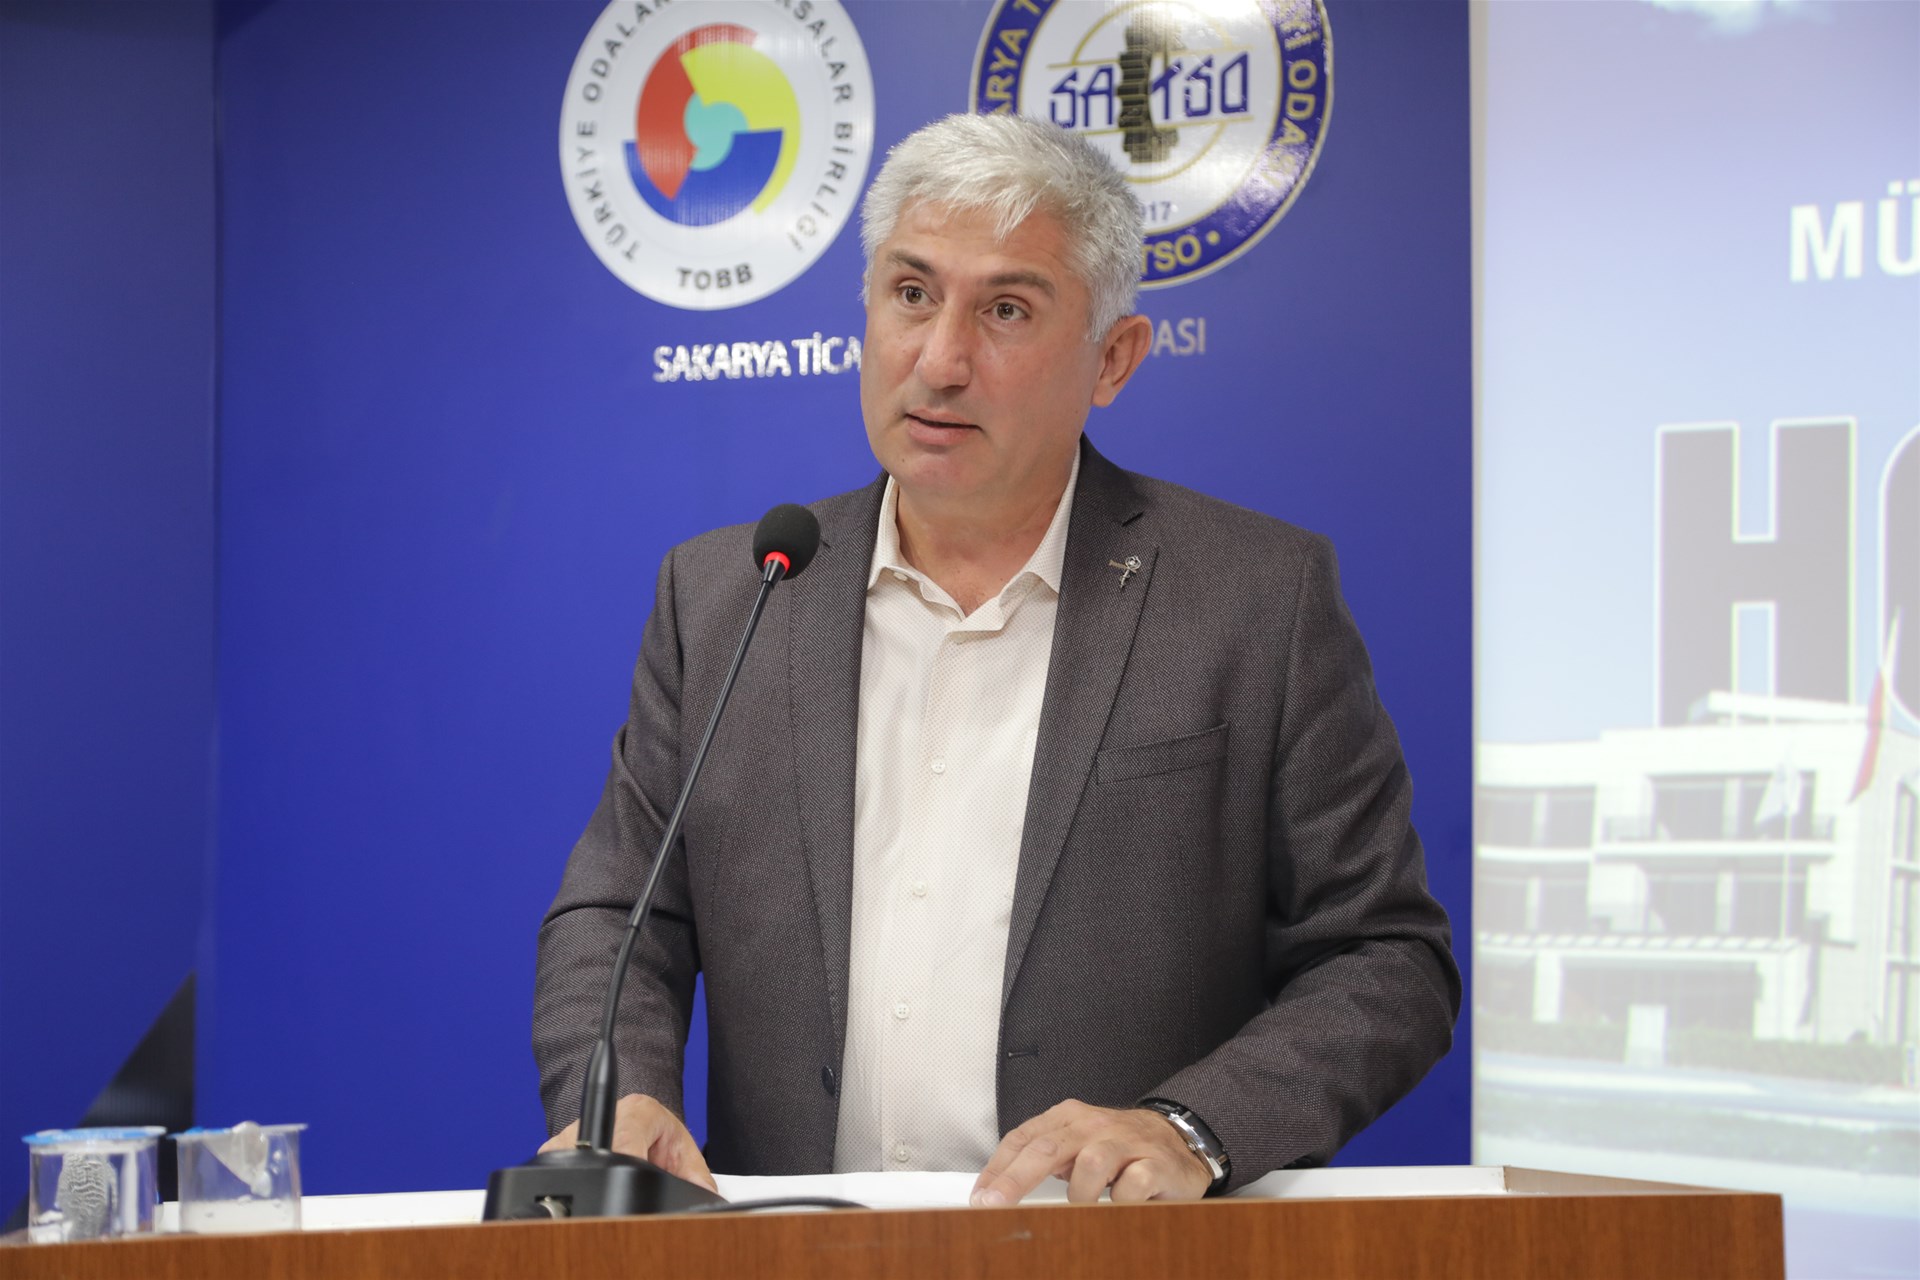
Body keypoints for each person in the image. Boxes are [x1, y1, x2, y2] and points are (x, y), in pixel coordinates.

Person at [532, 113, 1458, 1205]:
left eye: (1006, 310)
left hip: (1108, 1250)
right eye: (910, 294)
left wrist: (1191, 1126)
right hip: (794, 1248)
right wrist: (622, 1094)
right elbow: (620, 913)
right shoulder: (732, 592)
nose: (939, 360)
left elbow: (1383, 958)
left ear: (1113, 358)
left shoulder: (1254, 598)